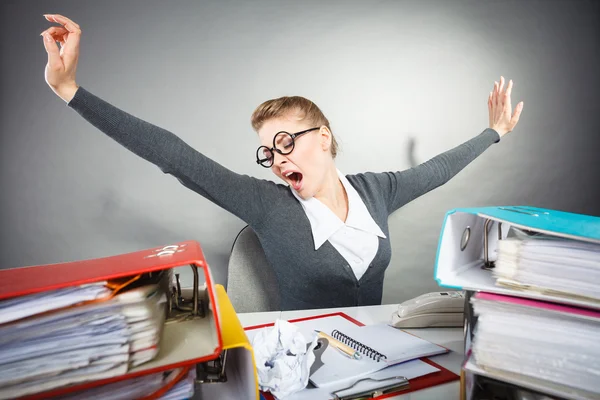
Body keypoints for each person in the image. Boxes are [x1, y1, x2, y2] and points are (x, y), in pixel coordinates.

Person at [40, 14, 523, 311]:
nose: (275, 160)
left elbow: (437, 171)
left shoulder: (378, 191)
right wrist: (69, 91)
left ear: (325, 138)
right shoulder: (267, 206)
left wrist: (494, 133)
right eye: (268, 151)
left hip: (376, 355)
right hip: (298, 362)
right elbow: (173, 155)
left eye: (286, 142)